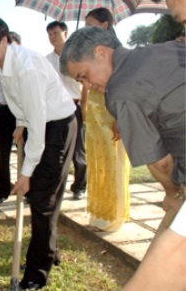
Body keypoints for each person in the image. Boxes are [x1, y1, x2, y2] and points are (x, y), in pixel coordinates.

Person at [0, 16, 76, 290]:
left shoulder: (25, 67)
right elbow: (25, 107)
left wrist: (26, 173)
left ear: (4, 40)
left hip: (56, 129)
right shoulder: (3, 64)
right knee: (44, 199)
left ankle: (36, 275)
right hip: (40, 125)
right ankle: (49, 251)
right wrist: (21, 125)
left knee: (41, 199)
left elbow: (39, 125)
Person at [59, 26, 185, 233]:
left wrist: (174, 195)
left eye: (84, 76)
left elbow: (161, 164)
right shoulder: (163, 49)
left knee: (163, 256)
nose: (87, 86)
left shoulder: (121, 91)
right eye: (81, 82)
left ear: (101, 53)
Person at [81, 8, 131, 232]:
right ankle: (100, 214)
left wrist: (120, 116)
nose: (85, 29)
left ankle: (114, 217)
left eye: (90, 24)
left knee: (113, 163)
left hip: (111, 111)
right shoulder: (92, 49)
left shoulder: (116, 50)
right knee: (97, 163)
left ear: (104, 25)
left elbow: (123, 83)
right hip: (94, 109)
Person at [46, 21, 87, 201]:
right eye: (50, 34)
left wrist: (84, 107)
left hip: (74, 105)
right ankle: (55, 186)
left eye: (56, 32)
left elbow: (86, 85)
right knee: (56, 150)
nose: (52, 36)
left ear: (65, 33)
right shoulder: (46, 60)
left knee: (78, 149)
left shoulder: (77, 56)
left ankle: (80, 186)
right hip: (55, 109)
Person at [0, 32, 21, 205]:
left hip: (21, 112)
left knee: (26, 151)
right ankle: (2, 191)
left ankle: (28, 191)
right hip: (3, 111)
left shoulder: (23, 66)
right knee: (3, 153)